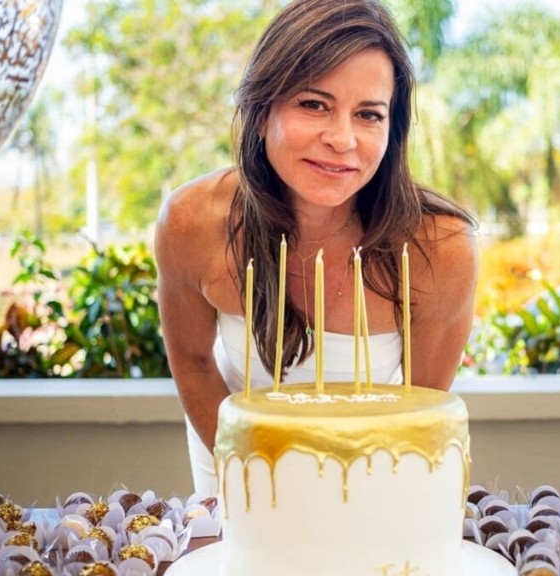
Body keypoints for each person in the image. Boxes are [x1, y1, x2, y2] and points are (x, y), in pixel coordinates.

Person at [154, 0, 479, 497]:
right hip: (235, 463)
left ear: (391, 131)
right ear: (261, 113)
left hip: (367, 474)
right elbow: (194, 364)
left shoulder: (442, 248)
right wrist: (250, 481)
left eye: (368, 114)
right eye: (314, 104)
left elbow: (420, 413)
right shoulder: (194, 223)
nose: (342, 139)